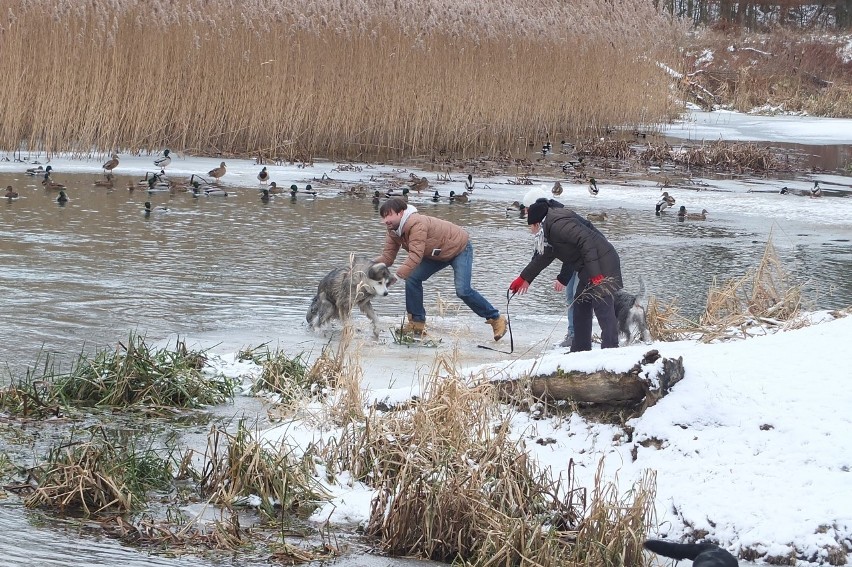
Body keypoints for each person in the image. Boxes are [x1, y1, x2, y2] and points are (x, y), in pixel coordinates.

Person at [376, 197, 507, 341]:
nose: (386, 220)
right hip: (437, 254)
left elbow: (415, 255)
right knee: (413, 278)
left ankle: (496, 319)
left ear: (401, 213)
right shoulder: (393, 231)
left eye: (389, 215)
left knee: (463, 290)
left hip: (459, 249)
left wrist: (397, 276)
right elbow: (387, 257)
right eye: (383, 216)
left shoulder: (416, 224)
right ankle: (417, 323)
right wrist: (366, 266)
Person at [508, 197, 623, 352]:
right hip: (589, 267)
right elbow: (545, 256)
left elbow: (586, 241)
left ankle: (611, 350)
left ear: (537, 223)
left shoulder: (559, 224)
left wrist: (596, 274)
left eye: (531, 227)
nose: (531, 231)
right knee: (581, 304)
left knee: (603, 306)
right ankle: (580, 350)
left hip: (602, 263)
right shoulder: (550, 229)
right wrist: (524, 278)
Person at [521, 187, 578, 348]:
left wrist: (563, 277)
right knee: (571, 297)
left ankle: (576, 336)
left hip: (583, 260)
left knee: (575, 296)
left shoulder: (556, 220)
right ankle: (574, 334)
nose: (526, 214)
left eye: (527, 210)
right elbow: (540, 253)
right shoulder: (548, 219)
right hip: (576, 260)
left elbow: (571, 248)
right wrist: (526, 277)